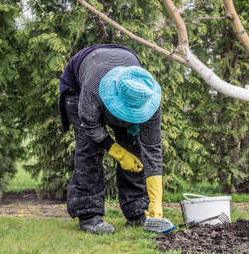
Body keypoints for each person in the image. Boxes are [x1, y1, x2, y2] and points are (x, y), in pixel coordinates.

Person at [59, 44, 175, 234]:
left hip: (116, 70)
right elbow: (90, 125)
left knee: (134, 147)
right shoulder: (93, 89)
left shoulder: (146, 95)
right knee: (90, 149)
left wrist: (156, 202)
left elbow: (152, 149)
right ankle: (89, 216)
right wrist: (119, 154)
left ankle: (138, 212)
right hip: (79, 85)